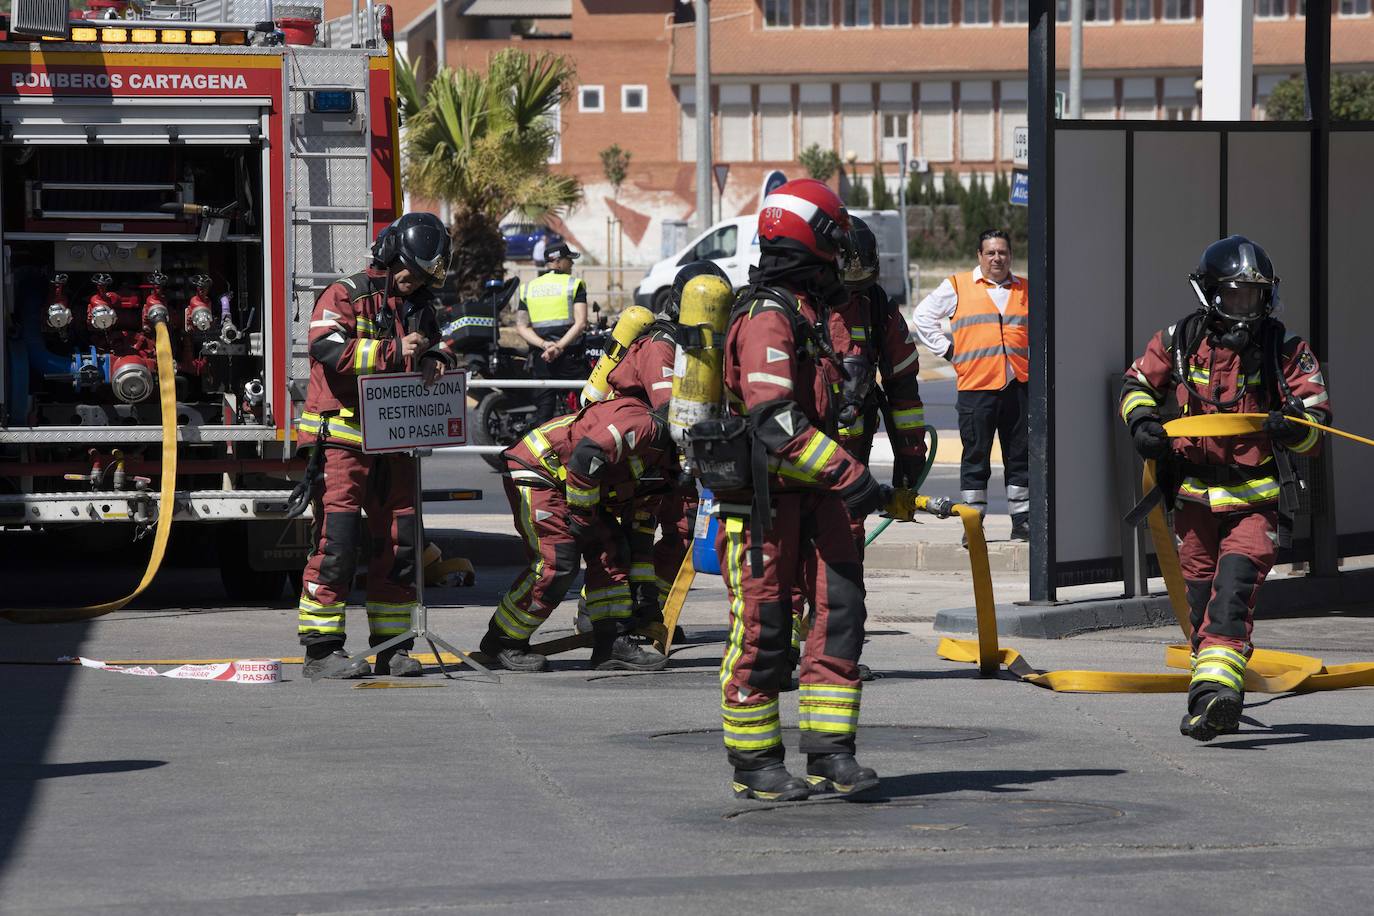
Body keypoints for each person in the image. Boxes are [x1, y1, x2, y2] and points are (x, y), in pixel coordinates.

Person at [710, 178, 887, 801]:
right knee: (761, 630)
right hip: (766, 503)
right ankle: (755, 763)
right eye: (835, 237)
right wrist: (851, 475)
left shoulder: (812, 312)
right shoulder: (768, 316)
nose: (843, 251)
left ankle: (830, 752)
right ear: (812, 238)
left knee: (840, 618)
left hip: (820, 498)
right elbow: (774, 420)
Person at [1118, 235, 1329, 741]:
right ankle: (1207, 697)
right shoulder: (1180, 339)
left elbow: (1318, 419)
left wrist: (1293, 425)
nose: (1244, 307)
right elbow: (1137, 384)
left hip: (1255, 505)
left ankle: (1219, 697)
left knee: (1231, 599)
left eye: (1253, 296)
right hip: (1192, 502)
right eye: (1235, 295)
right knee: (1200, 607)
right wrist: (1143, 421)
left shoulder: (1285, 348)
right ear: (1211, 294)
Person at [294, 212, 457, 679]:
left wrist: (435, 358)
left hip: (397, 445)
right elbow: (327, 348)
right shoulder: (345, 294)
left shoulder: (420, 303)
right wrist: (394, 352)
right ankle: (322, 653)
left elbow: (436, 343)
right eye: (412, 273)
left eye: (424, 278)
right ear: (390, 256)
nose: (415, 284)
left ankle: (394, 646)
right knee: (338, 543)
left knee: (400, 544)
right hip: (343, 442)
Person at [479, 397, 677, 673]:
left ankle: (612, 644)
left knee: (614, 551)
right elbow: (587, 457)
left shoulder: (669, 465)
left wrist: (645, 597)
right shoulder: (644, 427)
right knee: (557, 563)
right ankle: (503, 639)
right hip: (541, 471)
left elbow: (640, 532)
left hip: (577, 488)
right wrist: (583, 518)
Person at [606, 260, 729, 618]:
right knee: (632, 541)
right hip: (640, 457)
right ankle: (601, 609)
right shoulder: (661, 344)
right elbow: (669, 408)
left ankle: (649, 609)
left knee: (685, 532)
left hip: (670, 458)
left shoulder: (699, 349)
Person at [913, 229, 1030, 541]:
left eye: (1002, 252)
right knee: (975, 457)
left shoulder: (1025, 289)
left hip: (1018, 386)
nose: (997, 258)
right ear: (980, 256)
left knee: (1020, 457)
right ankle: (973, 522)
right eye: (990, 253)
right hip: (976, 388)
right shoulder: (957, 286)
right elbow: (923, 316)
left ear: (1011, 256)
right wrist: (949, 351)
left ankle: (1022, 520)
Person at [832, 215, 929, 553]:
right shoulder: (794, 307)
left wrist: (910, 462)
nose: (853, 291)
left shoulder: (877, 310)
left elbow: (903, 392)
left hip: (852, 459)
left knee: (845, 546)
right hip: (796, 457)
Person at [516, 242, 588, 427]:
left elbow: (521, 326)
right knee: (585, 408)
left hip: (541, 357)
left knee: (544, 413)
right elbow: (581, 323)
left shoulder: (529, 287)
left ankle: (542, 452)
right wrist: (559, 347)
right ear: (557, 261)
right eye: (568, 260)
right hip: (569, 355)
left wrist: (545, 345)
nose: (571, 265)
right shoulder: (574, 284)